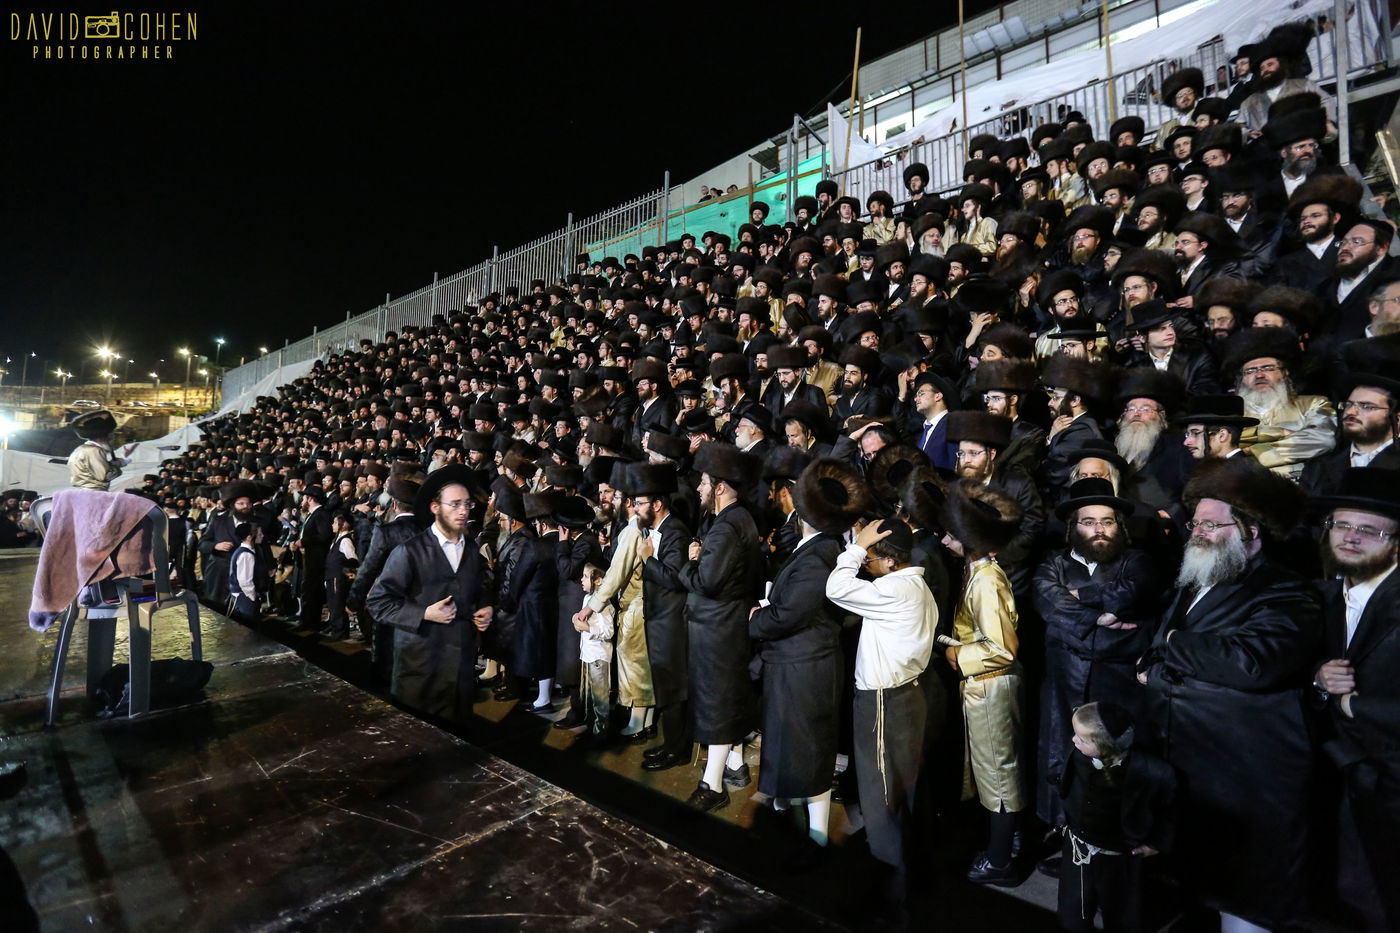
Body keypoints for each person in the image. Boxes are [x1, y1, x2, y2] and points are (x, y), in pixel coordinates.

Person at [1137, 456, 1321, 931]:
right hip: (1195, 771)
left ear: (1250, 532)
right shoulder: (1200, 576)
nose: (1196, 532)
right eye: (1196, 522)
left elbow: (1252, 663)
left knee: (1244, 907)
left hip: (1247, 782)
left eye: (1211, 525)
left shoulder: (1284, 591)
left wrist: (1170, 645)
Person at [750, 459, 868, 850]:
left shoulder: (818, 558)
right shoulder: (819, 549)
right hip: (797, 665)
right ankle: (794, 825)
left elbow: (788, 615)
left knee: (807, 755)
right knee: (796, 751)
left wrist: (757, 618)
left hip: (804, 669)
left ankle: (815, 838)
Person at [824, 515, 938, 924]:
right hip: (908, 698)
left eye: (872, 557)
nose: (867, 563)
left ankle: (889, 906)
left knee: (880, 803)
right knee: (902, 798)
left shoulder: (892, 589)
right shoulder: (918, 587)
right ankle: (909, 885)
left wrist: (855, 545)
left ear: (891, 560)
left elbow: (835, 587)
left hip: (883, 704)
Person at [1311, 468, 1400, 931]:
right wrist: (1319, 678)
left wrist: (1354, 706)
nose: (1350, 537)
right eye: (1342, 525)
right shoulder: (1324, 594)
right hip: (1338, 776)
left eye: (1369, 530)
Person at [937, 479, 1026, 887]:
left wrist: (957, 653)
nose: (944, 537)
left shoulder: (987, 580)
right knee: (994, 771)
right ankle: (1004, 845)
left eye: (952, 533)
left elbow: (1003, 648)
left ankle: (1000, 861)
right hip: (983, 685)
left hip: (990, 685)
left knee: (998, 775)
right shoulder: (977, 572)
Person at [366, 465, 495, 723]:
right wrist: (423, 613)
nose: (463, 510)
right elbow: (378, 602)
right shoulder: (408, 552)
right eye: (455, 504)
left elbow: (481, 588)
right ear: (435, 508)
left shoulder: (471, 549)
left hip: (459, 670)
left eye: (467, 504)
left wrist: (486, 607)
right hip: (420, 669)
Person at [678, 442, 763, 812]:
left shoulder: (728, 526)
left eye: (704, 482)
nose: (698, 488)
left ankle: (712, 786)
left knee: (717, 705)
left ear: (721, 487)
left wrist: (689, 563)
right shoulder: (736, 520)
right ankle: (736, 765)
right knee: (726, 699)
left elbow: (707, 583)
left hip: (717, 630)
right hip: (724, 626)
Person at [1054, 702, 1176, 933]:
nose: (1073, 740)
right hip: (1078, 848)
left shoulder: (1150, 771)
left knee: (1122, 916)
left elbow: (1169, 808)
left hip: (1120, 857)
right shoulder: (1077, 755)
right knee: (1073, 915)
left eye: (1082, 738)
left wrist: (1157, 842)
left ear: (1105, 745)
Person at [573, 562, 615, 745]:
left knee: (600, 698)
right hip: (588, 655)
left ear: (598, 581)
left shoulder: (603, 603)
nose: (581, 579)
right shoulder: (587, 599)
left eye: (585, 576)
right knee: (589, 695)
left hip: (598, 657)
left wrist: (587, 627)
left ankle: (600, 734)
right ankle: (592, 729)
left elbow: (608, 631)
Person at [67, 410, 128, 491]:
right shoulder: (94, 451)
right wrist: (118, 465)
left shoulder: (82, 449)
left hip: (84, 492)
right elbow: (104, 476)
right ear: (106, 434)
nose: (113, 434)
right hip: (93, 493)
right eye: (112, 432)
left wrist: (111, 464)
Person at [321, 511, 358, 639]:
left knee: (337, 605)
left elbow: (353, 559)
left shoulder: (345, 541)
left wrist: (347, 572)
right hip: (332, 576)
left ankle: (340, 633)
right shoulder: (337, 539)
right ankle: (335, 629)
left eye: (335, 522)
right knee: (332, 604)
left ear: (343, 524)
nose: (332, 525)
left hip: (339, 577)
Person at [226, 521, 263, 626]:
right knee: (247, 629)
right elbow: (245, 581)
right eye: (259, 534)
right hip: (244, 598)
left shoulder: (243, 551)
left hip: (241, 596)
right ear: (249, 537)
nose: (262, 536)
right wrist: (253, 596)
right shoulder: (246, 554)